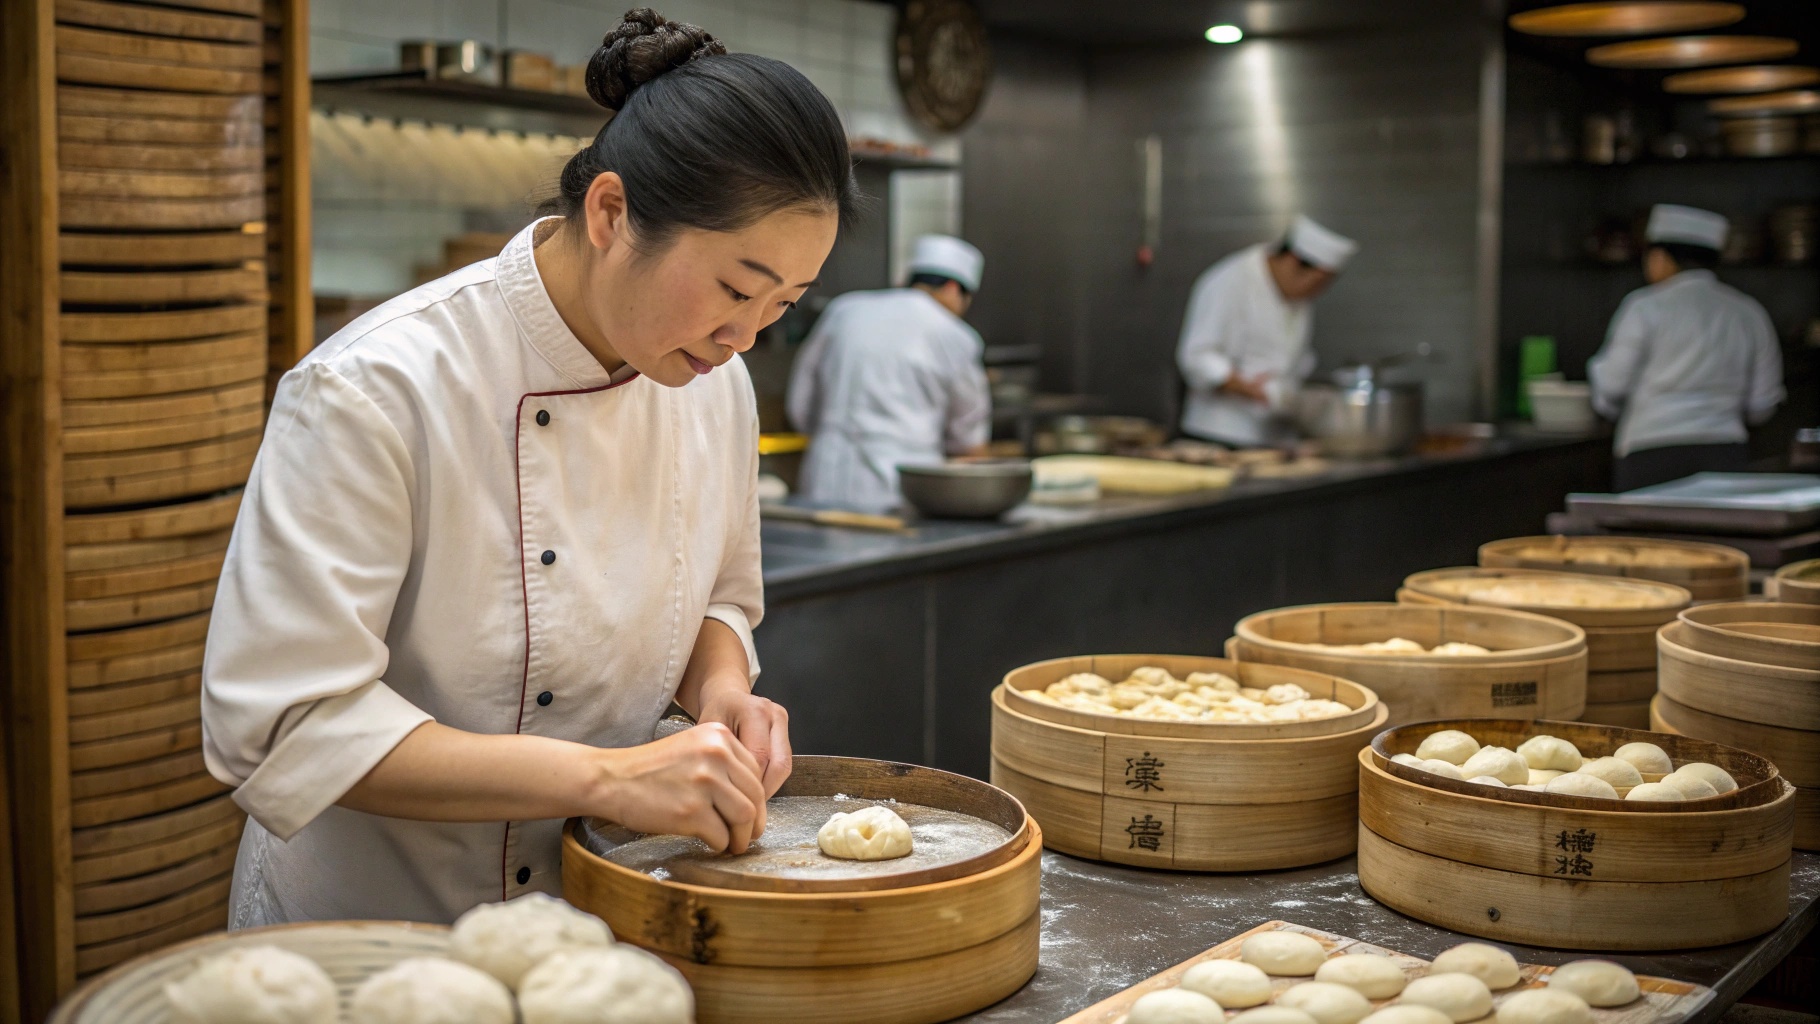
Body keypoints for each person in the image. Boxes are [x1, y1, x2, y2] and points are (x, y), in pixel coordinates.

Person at [200, 10, 859, 927]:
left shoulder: (718, 386)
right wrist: (610, 777)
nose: (745, 334)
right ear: (612, 214)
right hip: (377, 930)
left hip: (605, 913)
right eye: (737, 289)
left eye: (783, 304)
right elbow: (282, 725)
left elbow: (717, 597)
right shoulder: (378, 387)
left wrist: (720, 694)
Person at [786, 235, 991, 511]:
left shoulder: (844, 309)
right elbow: (968, 436)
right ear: (954, 288)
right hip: (903, 483)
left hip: (825, 475)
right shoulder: (954, 335)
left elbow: (800, 401)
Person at [1589, 204, 1784, 492]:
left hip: (1650, 454)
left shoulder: (1644, 307)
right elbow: (1762, 404)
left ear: (1661, 259)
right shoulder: (1748, 312)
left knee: (1649, 538)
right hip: (1725, 454)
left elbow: (1612, 386)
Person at [1176, 216, 1359, 446]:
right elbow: (1196, 356)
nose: (1318, 292)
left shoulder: (1298, 297)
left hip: (1276, 436)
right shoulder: (1230, 281)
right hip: (1220, 434)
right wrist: (1247, 388)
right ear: (1293, 262)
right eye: (1318, 283)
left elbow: (1295, 358)